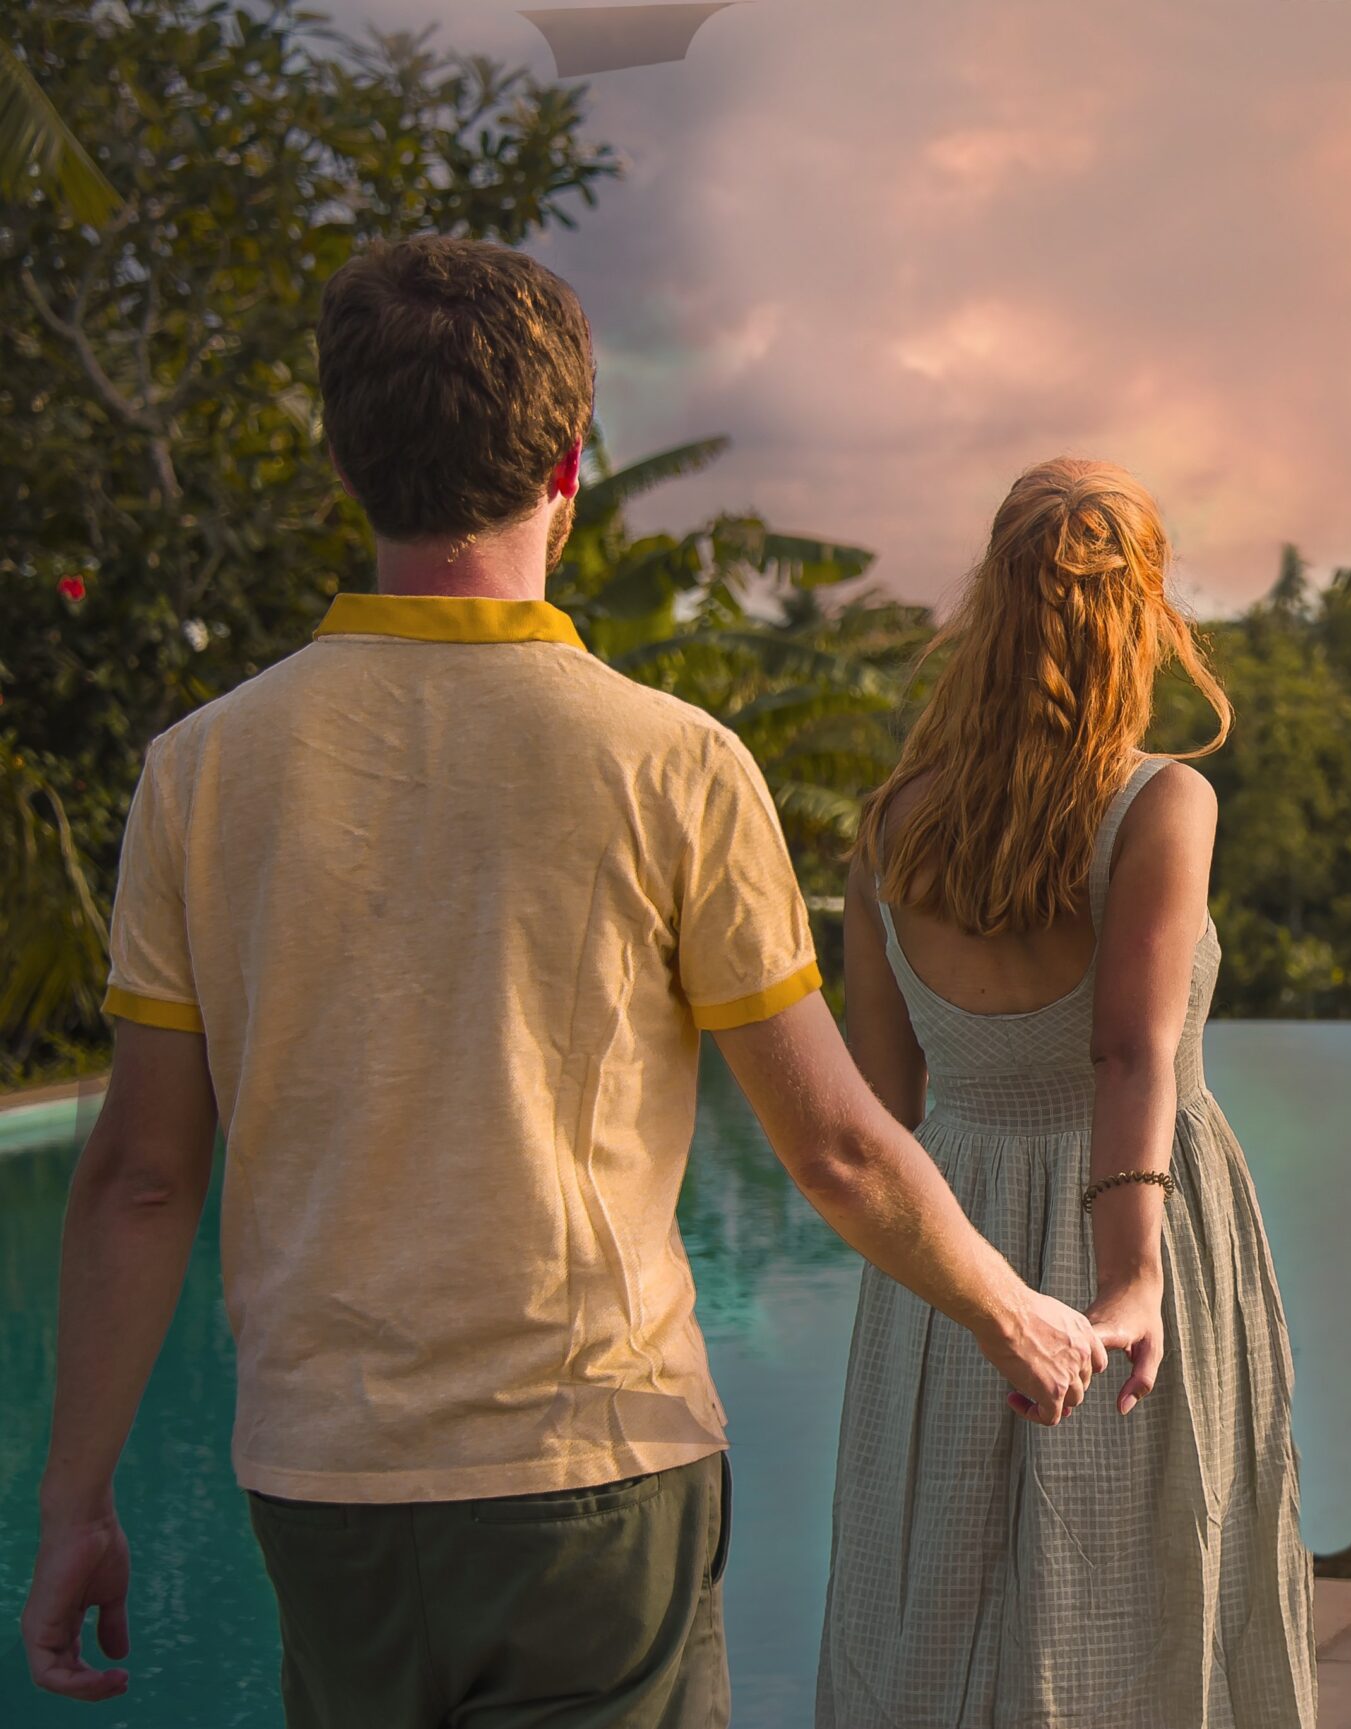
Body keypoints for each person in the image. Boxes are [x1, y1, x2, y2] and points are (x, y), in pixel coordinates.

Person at [19, 236, 1105, 1726]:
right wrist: (1007, 1306)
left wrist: (74, 1498)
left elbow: (144, 1175)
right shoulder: (671, 761)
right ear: (568, 469)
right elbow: (838, 1146)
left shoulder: (203, 772)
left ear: (347, 462)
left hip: (326, 1485)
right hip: (597, 1476)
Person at [818, 459, 1317, 1727]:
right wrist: (1132, 1274)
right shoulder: (1160, 800)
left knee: (932, 1596)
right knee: (1146, 1598)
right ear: (1144, 611)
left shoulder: (890, 826)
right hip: (1133, 1216)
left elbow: (882, 1096)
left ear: (990, 604)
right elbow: (1128, 1052)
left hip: (950, 1240)